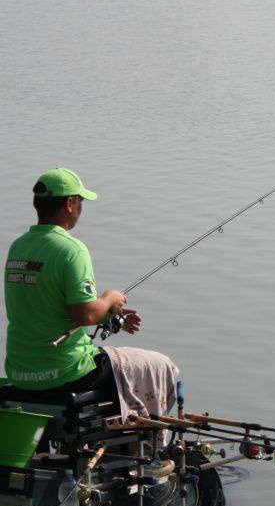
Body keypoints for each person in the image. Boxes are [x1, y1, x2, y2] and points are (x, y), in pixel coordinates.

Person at [4, 168, 178, 421]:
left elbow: (47, 307)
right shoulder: (72, 249)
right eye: (80, 201)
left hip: (20, 371)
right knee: (160, 365)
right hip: (66, 371)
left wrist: (109, 314)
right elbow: (84, 315)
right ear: (70, 203)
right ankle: (147, 446)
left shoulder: (19, 246)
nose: (81, 208)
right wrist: (109, 298)